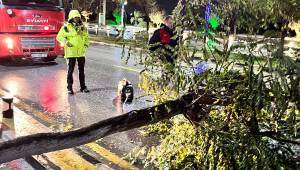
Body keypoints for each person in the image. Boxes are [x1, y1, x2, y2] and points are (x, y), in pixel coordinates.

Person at [57, 10, 90, 95]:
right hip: (71, 52)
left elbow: (87, 37)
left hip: (80, 53)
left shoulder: (83, 27)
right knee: (70, 71)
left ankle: (83, 87)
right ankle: (69, 88)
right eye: (75, 17)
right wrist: (66, 42)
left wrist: (86, 45)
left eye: (78, 17)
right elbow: (59, 36)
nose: (77, 19)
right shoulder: (66, 27)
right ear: (71, 18)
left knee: (81, 71)